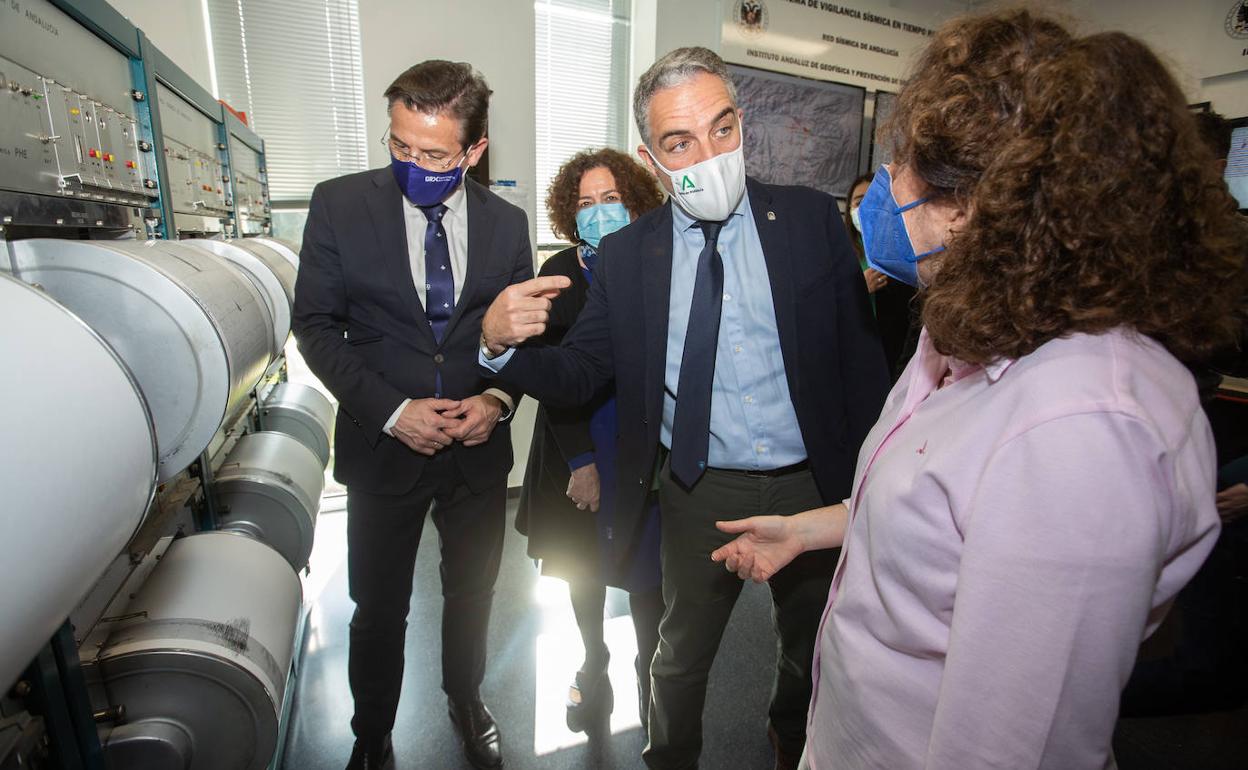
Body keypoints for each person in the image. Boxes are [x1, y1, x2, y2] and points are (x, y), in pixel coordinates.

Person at [710, 10, 1246, 768]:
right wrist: (812, 530)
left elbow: (1014, 745)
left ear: (973, 210)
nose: (881, 191)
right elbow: (941, 513)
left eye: (902, 168)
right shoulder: (964, 331)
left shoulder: (1082, 432)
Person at [479, 47, 889, 770]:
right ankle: (669, 758)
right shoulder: (632, 256)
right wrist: (495, 347)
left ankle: (789, 735)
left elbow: (859, 362)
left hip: (816, 482)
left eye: (723, 129)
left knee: (811, 642)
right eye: (681, 143)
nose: (711, 154)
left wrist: (870, 483)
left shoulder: (807, 222)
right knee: (678, 656)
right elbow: (579, 374)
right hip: (702, 487)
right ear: (653, 156)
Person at [292, 60, 533, 770]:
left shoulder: (507, 224)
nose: (413, 165)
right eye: (399, 146)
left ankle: (466, 698)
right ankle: (372, 734)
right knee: (378, 607)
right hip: (381, 446)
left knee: (474, 591)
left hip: (475, 454)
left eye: (434, 155)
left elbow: (520, 338)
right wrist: (392, 409)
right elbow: (315, 326)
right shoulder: (339, 205)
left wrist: (498, 400)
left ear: (474, 151)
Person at [516, 148, 666, 733]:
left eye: (611, 200)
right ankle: (593, 660)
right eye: (585, 204)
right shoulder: (559, 273)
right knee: (583, 567)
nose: (598, 213)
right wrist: (581, 461)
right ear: (568, 214)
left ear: (635, 205)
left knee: (649, 570)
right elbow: (551, 375)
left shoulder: (660, 263)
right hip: (576, 440)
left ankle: (649, 672)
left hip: (643, 444)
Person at [845, 172, 917, 380]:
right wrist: (860, 289)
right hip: (851, 354)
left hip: (889, 357)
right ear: (849, 208)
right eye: (859, 202)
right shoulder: (838, 253)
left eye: (872, 200)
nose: (865, 207)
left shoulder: (902, 254)